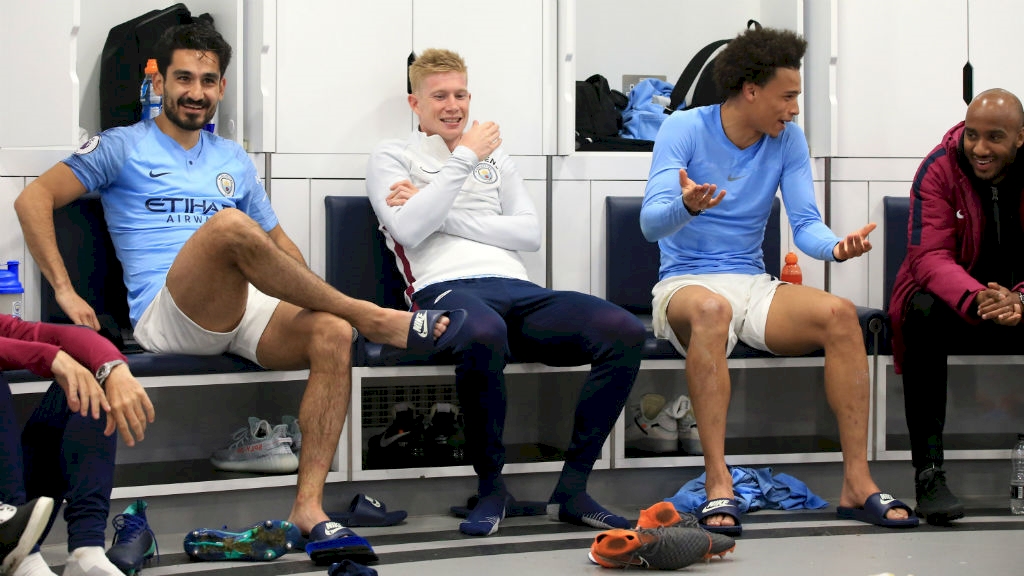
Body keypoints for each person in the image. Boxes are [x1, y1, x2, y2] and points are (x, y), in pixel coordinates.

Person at [14, 23, 460, 564]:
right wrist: (63, 290)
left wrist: (314, 304)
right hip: (166, 312)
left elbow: (278, 245)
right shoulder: (120, 146)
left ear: (221, 88)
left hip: (241, 308)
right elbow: (33, 199)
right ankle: (371, 315)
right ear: (159, 82)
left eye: (208, 80)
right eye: (183, 77)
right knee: (227, 227)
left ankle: (309, 508)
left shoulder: (232, 158)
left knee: (332, 331)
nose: (195, 91)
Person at [639, 26, 917, 535]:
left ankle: (857, 483)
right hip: (685, 284)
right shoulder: (684, 128)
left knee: (840, 314)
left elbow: (805, 223)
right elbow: (651, 222)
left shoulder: (788, 139)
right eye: (787, 96)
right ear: (751, 90)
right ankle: (717, 481)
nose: (793, 109)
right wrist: (685, 204)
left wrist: (835, 246)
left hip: (752, 282)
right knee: (710, 310)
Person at [366, 48, 645, 536]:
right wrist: (466, 158)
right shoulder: (392, 156)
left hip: (516, 287)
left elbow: (528, 234)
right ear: (416, 103)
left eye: (460, 94)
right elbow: (409, 230)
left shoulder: (497, 157)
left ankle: (573, 490)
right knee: (485, 331)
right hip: (441, 291)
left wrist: (443, 213)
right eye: (439, 96)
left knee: (622, 329)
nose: (453, 106)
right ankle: (492, 488)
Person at [889, 88, 1024, 526]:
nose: (979, 148)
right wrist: (976, 297)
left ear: (1020, 138)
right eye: (972, 135)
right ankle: (929, 475)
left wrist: (1019, 299)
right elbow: (927, 257)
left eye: (995, 137)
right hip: (957, 302)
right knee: (921, 312)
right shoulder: (939, 168)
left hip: (1017, 303)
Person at [1, 313, 155, 576]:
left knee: (92, 372)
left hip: (17, 514)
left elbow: (72, 337)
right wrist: (51, 357)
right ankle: (19, 558)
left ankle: (86, 553)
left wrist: (112, 367)